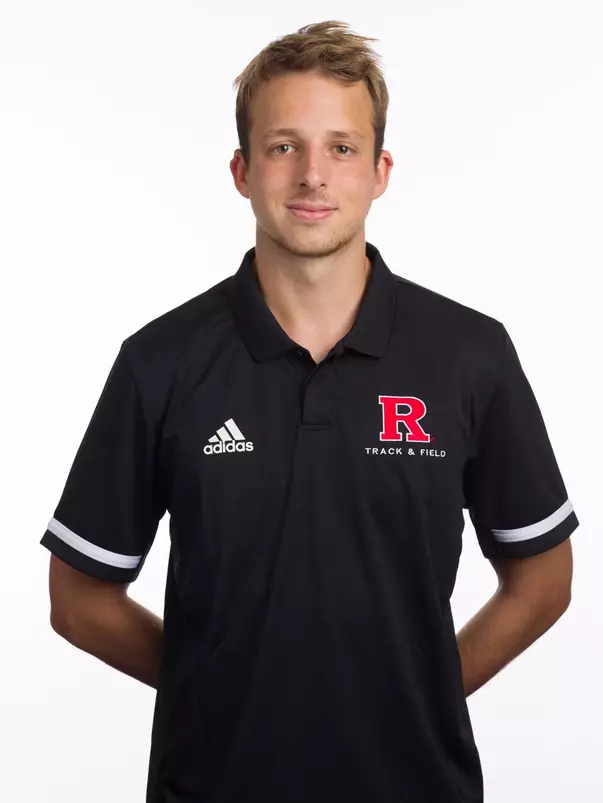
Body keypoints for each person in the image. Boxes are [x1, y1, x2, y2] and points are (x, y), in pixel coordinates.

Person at [41, 20, 578, 803]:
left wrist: (415, 691)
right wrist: (215, 687)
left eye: (341, 147)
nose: (312, 175)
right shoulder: (160, 360)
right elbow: (77, 597)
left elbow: (543, 579)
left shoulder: (469, 354)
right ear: (241, 169)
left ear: (380, 170)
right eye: (283, 146)